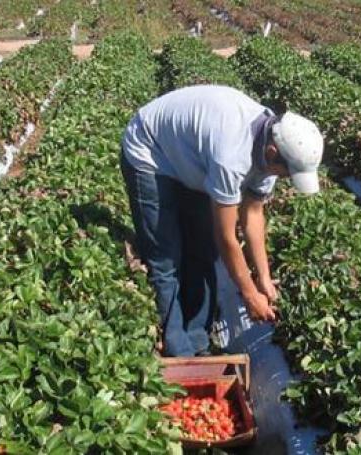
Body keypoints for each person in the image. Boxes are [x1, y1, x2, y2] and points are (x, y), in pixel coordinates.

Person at [120, 85, 323, 357]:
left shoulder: (273, 145)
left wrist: (263, 278)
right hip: (151, 151)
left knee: (203, 252)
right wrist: (249, 295)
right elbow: (226, 236)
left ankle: (198, 341)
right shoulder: (231, 155)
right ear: (273, 153)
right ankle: (178, 351)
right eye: (287, 173)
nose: (285, 179)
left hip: (192, 159)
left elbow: (252, 215)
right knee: (166, 257)